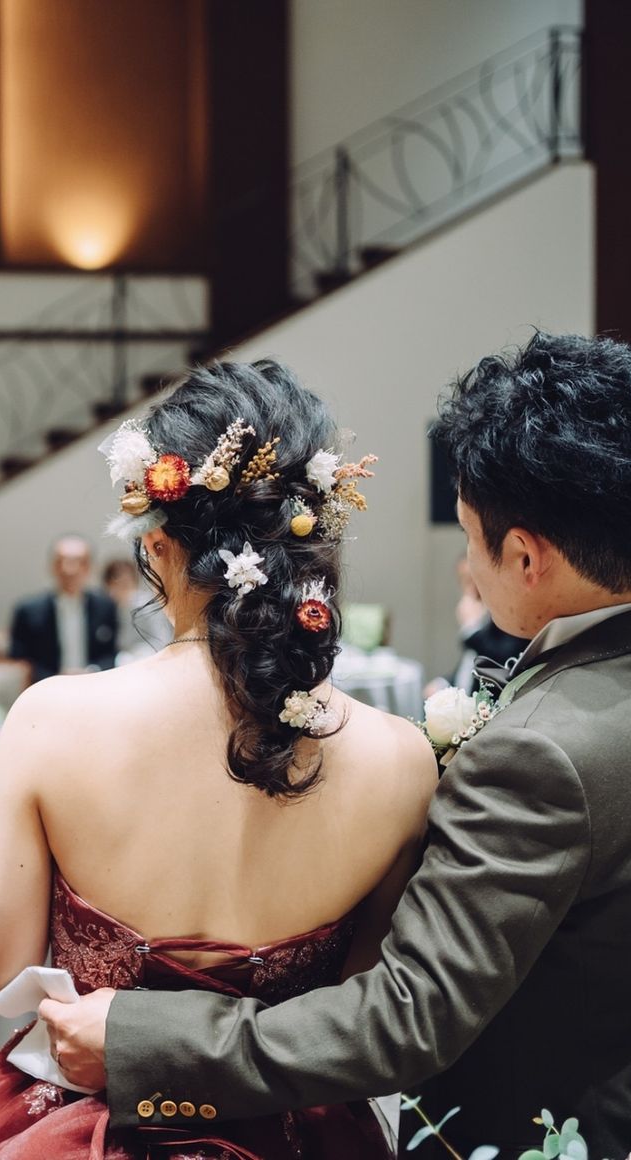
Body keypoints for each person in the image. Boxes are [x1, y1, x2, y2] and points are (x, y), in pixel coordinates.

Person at [42, 333, 631, 1158]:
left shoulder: (540, 755)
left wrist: (145, 1037)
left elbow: (409, 1014)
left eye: (469, 538)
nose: (469, 561)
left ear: (525, 555)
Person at [0, 360, 437, 1159]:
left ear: (159, 547)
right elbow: (359, 997)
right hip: (295, 1125)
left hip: (89, 1120)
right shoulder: (404, 758)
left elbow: (5, 964)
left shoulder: (51, 719)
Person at [9, 535, 119, 682]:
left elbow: (112, 653)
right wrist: (57, 678)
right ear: (52, 566)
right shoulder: (28, 610)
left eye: (79, 562)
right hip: (45, 687)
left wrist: (91, 671)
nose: (70, 569)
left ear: (90, 567)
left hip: (95, 683)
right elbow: (20, 660)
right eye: (62, 561)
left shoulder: (105, 607)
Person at [424, 554, 527, 698]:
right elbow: (470, 665)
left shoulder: (506, 615)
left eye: (475, 579)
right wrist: (444, 682)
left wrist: (470, 629)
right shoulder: (478, 613)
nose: (471, 588)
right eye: (465, 581)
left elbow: (500, 661)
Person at [102, 556, 173, 661]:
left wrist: (132, 657)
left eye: (125, 582)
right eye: (115, 582)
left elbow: (162, 640)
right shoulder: (111, 608)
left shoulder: (146, 605)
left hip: (146, 660)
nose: (120, 586)